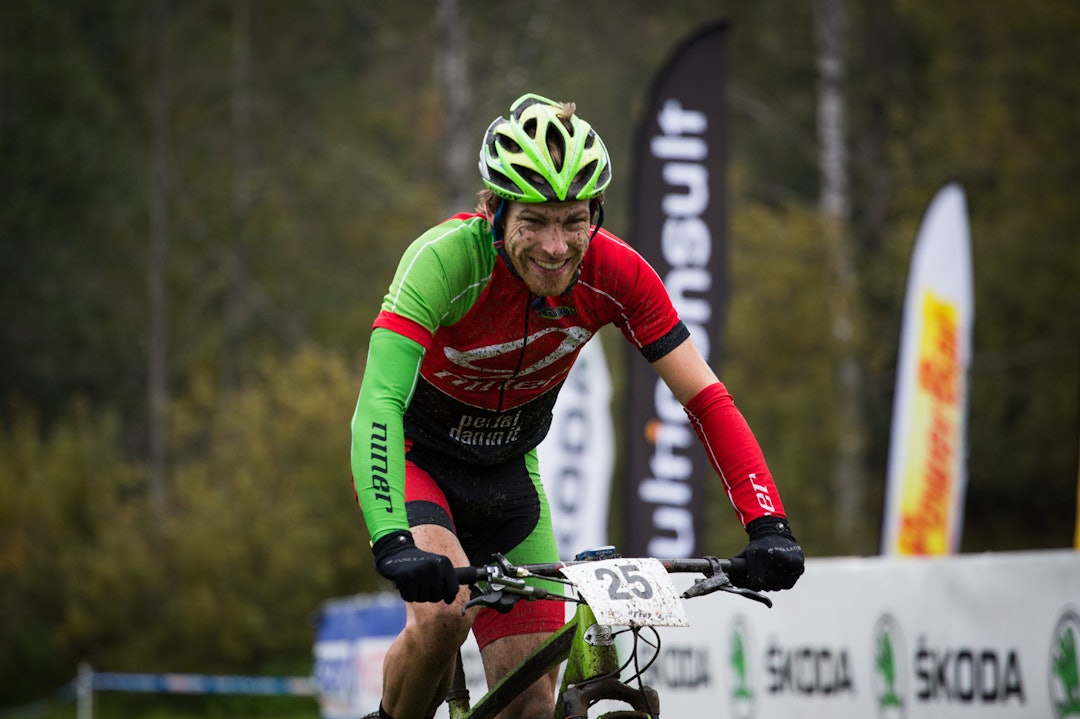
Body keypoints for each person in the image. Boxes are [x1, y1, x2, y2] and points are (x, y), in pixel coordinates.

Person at [350, 93, 804, 719]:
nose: (557, 247)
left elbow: (705, 398)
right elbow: (378, 401)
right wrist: (393, 539)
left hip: (509, 478)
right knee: (440, 619)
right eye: (533, 221)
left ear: (597, 213)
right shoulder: (444, 262)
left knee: (533, 707)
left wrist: (768, 525)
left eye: (573, 220)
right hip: (416, 462)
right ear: (494, 210)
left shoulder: (618, 274)